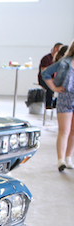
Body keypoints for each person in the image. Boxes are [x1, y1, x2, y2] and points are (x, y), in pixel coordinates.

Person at [41, 40, 74, 172]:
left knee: (73, 132)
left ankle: (68, 158)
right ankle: (60, 160)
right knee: (64, 130)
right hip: (65, 98)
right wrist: (54, 87)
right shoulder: (65, 62)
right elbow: (45, 73)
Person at [39, 42, 63, 109]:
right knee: (50, 88)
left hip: (55, 79)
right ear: (56, 49)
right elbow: (44, 72)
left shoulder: (59, 61)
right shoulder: (46, 58)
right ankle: (48, 105)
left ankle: (56, 103)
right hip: (44, 79)